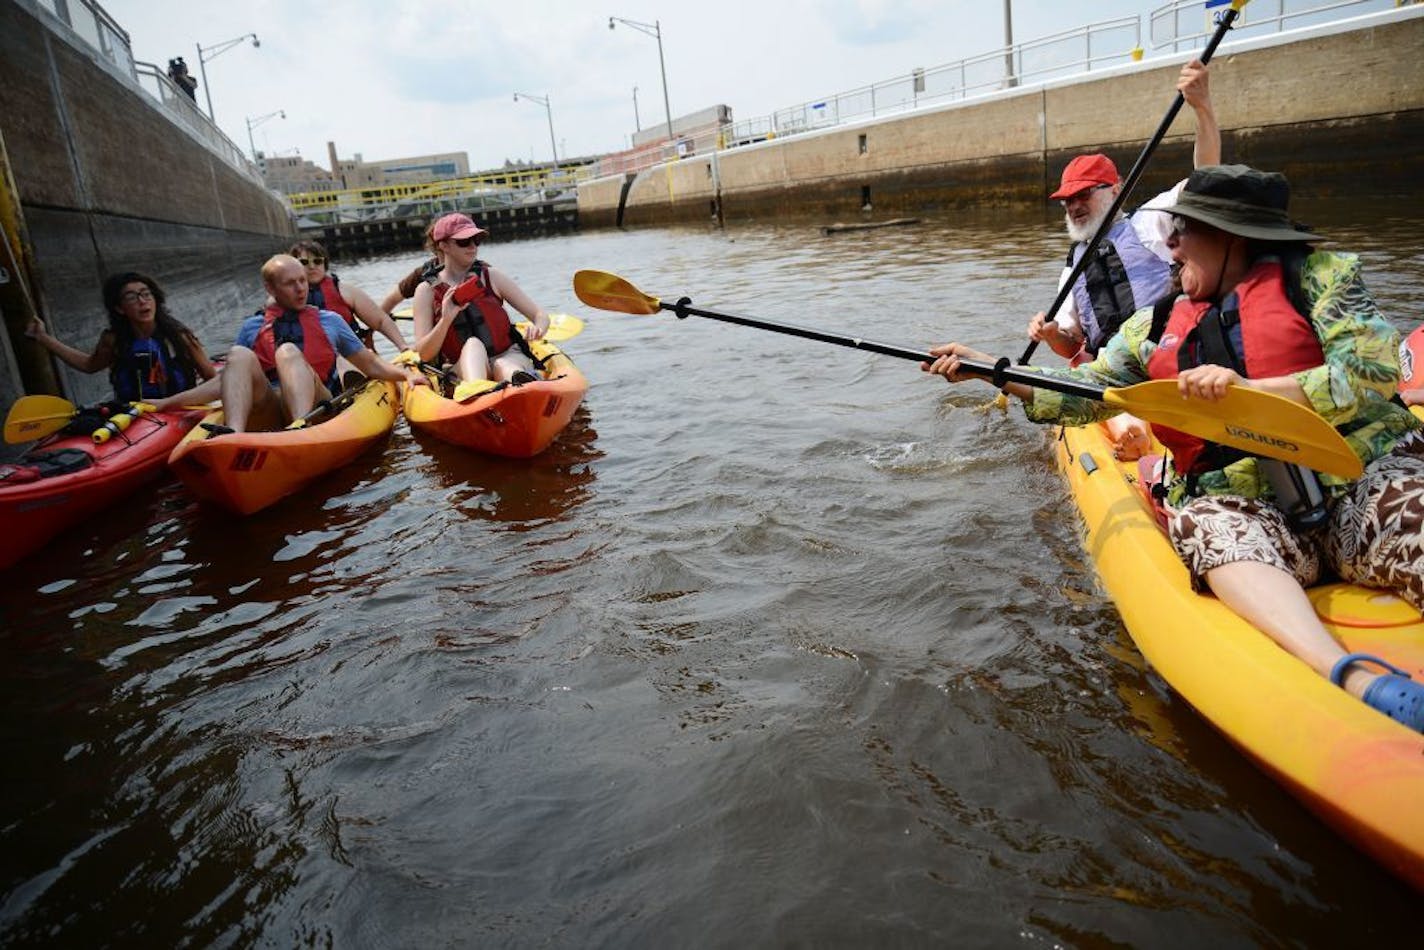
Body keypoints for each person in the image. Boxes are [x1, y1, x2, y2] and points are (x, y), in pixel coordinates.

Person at [924, 164, 1424, 733]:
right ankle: (1354, 678)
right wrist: (993, 370)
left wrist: (1253, 393)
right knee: (1204, 524)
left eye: (1186, 231)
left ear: (1232, 238)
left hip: (1359, 481)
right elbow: (1088, 393)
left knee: (1410, 504)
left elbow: (1373, 370)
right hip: (1254, 513)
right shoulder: (1151, 323)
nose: (1174, 244)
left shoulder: (1321, 278)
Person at [1029, 59, 1220, 460]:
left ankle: (1140, 428)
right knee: (1100, 383)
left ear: (1115, 190)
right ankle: (1131, 429)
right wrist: (1049, 335)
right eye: (1068, 200)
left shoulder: (1153, 221)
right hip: (1115, 372)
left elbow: (1208, 179)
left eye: (1084, 195)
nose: (1075, 206)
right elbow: (1071, 346)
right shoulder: (1073, 264)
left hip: (1168, 355)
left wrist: (1201, 108)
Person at [207, 254, 426, 434]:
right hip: (272, 404)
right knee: (238, 354)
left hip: (319, 402)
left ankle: (299, 426)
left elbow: (370, 364)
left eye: (302, 281)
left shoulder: (330, 320)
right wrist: (173, 402)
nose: (301, 289)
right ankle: (232, 431)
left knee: (287, 351)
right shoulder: (252, 327)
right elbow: (229, 380)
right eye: (290, 284)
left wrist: (406, 374)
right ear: (270, 289)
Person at [409, 213, 550, 398]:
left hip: (507, 355)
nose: (473, 246)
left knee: (503, 366)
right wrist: (445, 320)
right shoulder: (425, 291)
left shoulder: (492, 276)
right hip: (462, 366)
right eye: (464, 242)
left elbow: (540, 315)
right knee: (473, 345)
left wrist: (538, 328)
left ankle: (524, 385)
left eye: (476, 240)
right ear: (443, 246)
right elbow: (425, 355)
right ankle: (478, 392)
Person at [26, 272, 217, 403]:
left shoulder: (179, 336)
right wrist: (43, 337)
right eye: (132, 297)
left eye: (146, 294)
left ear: (155, 299)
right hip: (134, 412)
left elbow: (210, 377)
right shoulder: (113, 340)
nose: (142, 301)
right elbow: (89, 365)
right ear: (119, 308)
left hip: (178, 408)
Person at [288, 240, 409, 352]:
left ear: (325, 264)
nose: (312, 266)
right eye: (304, 262)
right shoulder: (284, 298)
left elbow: (381, 321)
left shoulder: (345, 291)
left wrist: (403, 347)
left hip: (352, 354)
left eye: (317, 261)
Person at [379, 223, 441, 314]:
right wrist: (380, 324)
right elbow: (391, 299)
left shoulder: (469, 269)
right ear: (441, 245)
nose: (470, 247)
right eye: (463, 242)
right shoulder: (423, 273)